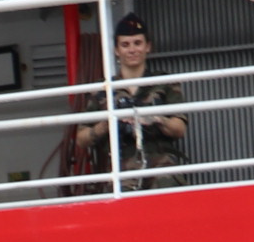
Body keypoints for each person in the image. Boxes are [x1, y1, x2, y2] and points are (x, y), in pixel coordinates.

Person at [71, 15, 187, 183]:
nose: (132, 50)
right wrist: (108, 124)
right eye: (125, 45)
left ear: (148, 46)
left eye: (137, 43)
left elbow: (179, 129)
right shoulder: (103, 89)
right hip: (121, 169)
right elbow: (81, 139)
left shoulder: (164, 82)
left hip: (162, 167)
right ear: (116, 50)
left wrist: (157, 119)